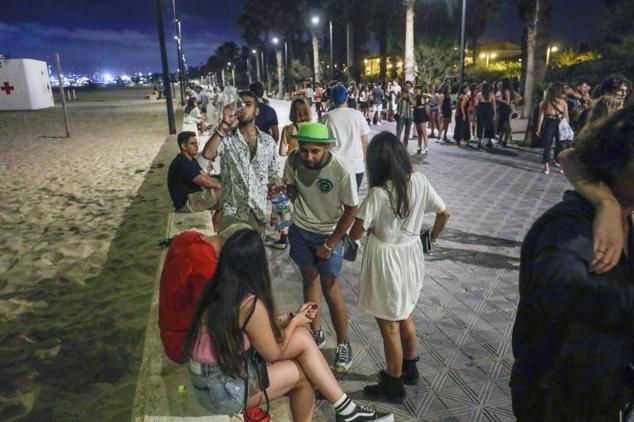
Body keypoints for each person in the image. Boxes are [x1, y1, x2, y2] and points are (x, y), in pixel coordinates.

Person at [185, 229, 394, 422]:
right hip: (223, 391)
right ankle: (348, 411)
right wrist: (295, 322)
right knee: (303, 377)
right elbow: (272, 354)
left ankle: (347, 410)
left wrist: (294, 316)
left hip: (210, 380)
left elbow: (256, 328)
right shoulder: (249, 304)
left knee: (302, 338)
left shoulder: (219, 287)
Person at [510, 105, 634, 421]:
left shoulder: (623, 217)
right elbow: (562, 284)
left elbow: (572, 155)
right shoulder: (570, 227)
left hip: (604, 389)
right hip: (558, 396)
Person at [349, 132, 449, 403]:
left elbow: (356, 232)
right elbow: (444, 213)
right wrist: (430, 239)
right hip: (412, 255)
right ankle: (410, 367)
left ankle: (393, 382)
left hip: (386, 260)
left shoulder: (378, 194)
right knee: (405, 313)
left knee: (389, 324)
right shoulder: (420, 181)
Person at [283, 123, 359, 371]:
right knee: (308, 279)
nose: (308, 157)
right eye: (304, 150)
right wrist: (283, 191)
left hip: (329, 234)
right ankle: (316, 332)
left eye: (315, 151)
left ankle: (343, 344)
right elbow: (292, 188)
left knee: (331, 289)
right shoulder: (294, 160)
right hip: (300, 231)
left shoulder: (341, 170)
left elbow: (352, 210)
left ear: (327, 146)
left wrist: (330, 243)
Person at [159, 223, 251, 363]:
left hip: (169, 326)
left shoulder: (188, 237)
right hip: (181, 342)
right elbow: (216, 316)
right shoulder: (207, 269)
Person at [202, 90, 280, 234]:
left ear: (257, 111)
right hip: (232, 212)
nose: (243, 107)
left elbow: (274, 174)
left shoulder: (268, 141)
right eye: (239, 104)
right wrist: (224, 124)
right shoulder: (226, 137)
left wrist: (276, 207)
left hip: (258, 212)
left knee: (255, 254)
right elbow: (207, 154)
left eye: (248, 104)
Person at [271, 98, 312, 251]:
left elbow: (282, 152)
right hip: (308, 170)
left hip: (291, 169)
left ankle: (284, 236)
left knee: (282, 203)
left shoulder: (288, 129)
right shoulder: (312, 127)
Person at [321, 84, 371, 191]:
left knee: (335, 199)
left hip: (334, 164)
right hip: (356, 165)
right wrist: (367, 162)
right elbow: (365, 141)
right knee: (352, 201)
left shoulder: (326, 117)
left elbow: (322, 142)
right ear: (347, 97)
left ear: (332, 99)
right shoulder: (357, 115)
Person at [167, 131, 221, 213]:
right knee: (224, 192)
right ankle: (215, 224)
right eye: (192, 143)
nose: (196, 146)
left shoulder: (191, 159)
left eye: (196, 143)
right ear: (184, 146)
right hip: (185, 203)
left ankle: (215, 225)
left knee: (223, 191)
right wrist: (219, 186)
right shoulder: (181, 162)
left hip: (192, 196)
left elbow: (205, 175)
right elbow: (203, 181)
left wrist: (219, 181)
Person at [535, 83, 569, 174]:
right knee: (560, 145)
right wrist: (567, 127)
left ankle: (547, 166)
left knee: (548, 145)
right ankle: (560, 165)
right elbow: (566, 116)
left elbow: (541, 116)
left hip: (549, 122)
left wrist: (538, 128)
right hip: (559, 122)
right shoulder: (562, 102)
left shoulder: (545, 102)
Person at [475, 82, 496, 148]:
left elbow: (476, 104)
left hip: (481, 109)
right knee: (489, 125)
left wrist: (475, 113)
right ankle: (489, 141)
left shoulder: (479, 94)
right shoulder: (492, 94)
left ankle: (479, 141)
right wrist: (494, 113)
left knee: (480, 125)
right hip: (489, 109)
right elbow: (494, 104)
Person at [396, 81, 416, 148]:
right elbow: (396, 102)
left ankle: (405, 148)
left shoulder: (412, 94)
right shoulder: (399, 93)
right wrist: (402, 97)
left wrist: (410, 98)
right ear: (404, 86)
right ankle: (397, 148)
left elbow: (414, 104)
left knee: (407, 133)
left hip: (409, 116)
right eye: (406, 86)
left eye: (409, 87)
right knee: (398, 132)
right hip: (401, 115)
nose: (407, 88)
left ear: (410, 87)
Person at [412, 85, 431, 155]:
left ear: (421, 90)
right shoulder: (415, 96)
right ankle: (419, 147)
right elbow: (414, 105)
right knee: (419, 132)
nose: (417, 90)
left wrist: (426, 103)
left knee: (424, 132)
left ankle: (426, 147)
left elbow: (431, 97)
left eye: (419, 89)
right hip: (416, 112)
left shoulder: (422, 95)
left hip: (422, 112)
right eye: (416, 89)